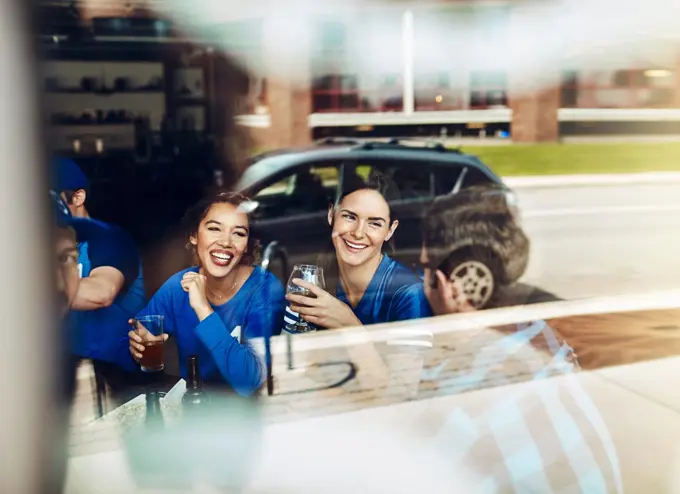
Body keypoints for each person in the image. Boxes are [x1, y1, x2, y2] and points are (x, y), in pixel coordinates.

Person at [122, 192, 285, 396]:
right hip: (196, 408)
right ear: (194, 235)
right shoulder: (177, 287)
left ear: (247, 246)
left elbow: (249, 381)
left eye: (239, 233)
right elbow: (135, 340)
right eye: (214, 229)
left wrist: (203, 308)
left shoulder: (265, 290)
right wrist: (137, 347)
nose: (225, 242)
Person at [51, 156, 147, 403]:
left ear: (78, 197)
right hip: (66, 374)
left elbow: (101, 293)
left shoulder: (108, 238)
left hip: (118, 380)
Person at [285, 172, 432, 330]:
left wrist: (349, 325)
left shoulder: (409, 293)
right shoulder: (310, 281)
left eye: (375, 223)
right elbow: (291, 350)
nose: (358, 233)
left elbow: (411, 356)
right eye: (349, 217)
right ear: (331, 214)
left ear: (390, 230)